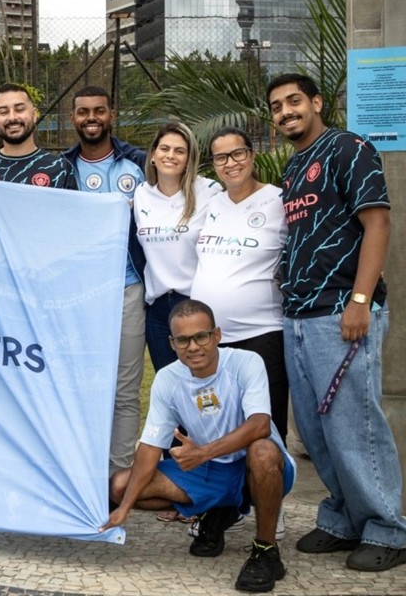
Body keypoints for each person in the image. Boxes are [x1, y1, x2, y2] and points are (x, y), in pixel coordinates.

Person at [267, 72, 406, 571]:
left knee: (354, 423)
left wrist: (361, 300)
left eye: (295, 101)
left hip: (340, 310)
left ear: (317, 102)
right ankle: (345, 518)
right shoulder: (294, 166)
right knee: (317, 427)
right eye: (278, 106)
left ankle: (388, 527)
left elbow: (378, 222)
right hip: (300, 314)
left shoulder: (349, 147)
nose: (286, 112)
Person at [103, 299, 294, 593]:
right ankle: (218, 512)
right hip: (210, 471)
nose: (193, 347)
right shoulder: (167, 379)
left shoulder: (246, 363)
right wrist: (124, 507)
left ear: (216, 335)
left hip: (255, 467)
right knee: (120, 486)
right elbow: (151, 447)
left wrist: (203, 452)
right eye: (183, 340)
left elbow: (260, 426)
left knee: (263, 450)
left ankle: (265, 551)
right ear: (172, 342)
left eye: (200, 336)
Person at [61, 86, 148, 477]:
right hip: (78, 293)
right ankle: (81, 472)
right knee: (78, 385)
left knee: (125, 389)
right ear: (73, 118)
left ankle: (118, 477)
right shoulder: (60, 169)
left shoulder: (139, 165)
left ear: (112, 114)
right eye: (83, 112)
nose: (91, 118)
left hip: (129, 288)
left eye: (98, 111)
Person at [191, 127, 289, 442]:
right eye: (221, 157)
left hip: (260, 335)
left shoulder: (278, 200)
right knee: (217, 426)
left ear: (251, 154)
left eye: (237, 153)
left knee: (265, 432)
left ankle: (267, 492)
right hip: (211, 340)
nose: (230, 163)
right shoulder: (209, 202)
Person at [133, 122, 223, 371]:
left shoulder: (210, 191)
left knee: (204, 382)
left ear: (189, 158)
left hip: (196, 302)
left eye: (179, 151)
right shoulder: (141, 195)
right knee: (171, 384)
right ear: (152, 155)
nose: (170, 156)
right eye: (164, 148)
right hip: (158, 310)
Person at [0, 84, 77, 190]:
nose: (12, 117)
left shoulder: (60, 168)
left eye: (19, 109)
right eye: (3, 112)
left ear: (34, 115)